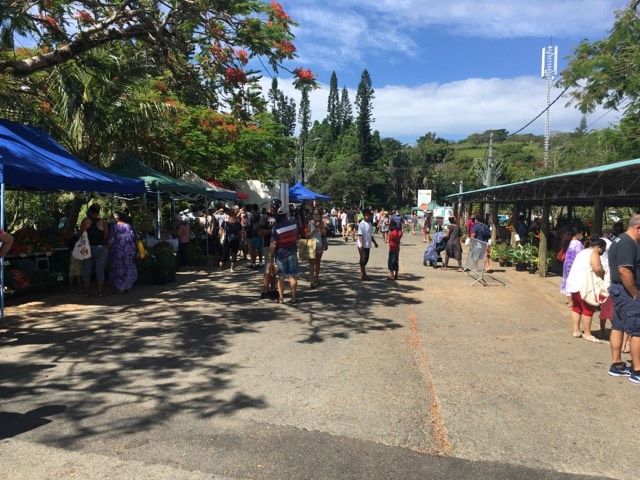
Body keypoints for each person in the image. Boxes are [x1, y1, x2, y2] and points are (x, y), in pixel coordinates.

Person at [606, 215, 640, 381]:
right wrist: (635, 293)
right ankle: (637, 370)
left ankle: (617, 364)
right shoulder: (628, 243)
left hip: (618, 290)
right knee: (637, 330)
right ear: (638, 228)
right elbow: (624, 271)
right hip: (627, 291)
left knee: (618, 326)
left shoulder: (618, 240)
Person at [565, 237, 608, 342]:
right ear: (598, 247)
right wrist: (603, 273)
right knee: (587, 309)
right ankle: (587, 333)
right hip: (584, 285)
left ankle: (576, 330)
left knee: (576, 308)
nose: (602, 252)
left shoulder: (583, 252)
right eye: (603, 249)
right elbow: (597, 268)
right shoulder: (593, 253)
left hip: (574, 284)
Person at [270, 205, 299, 304]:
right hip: (293, 253)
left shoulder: (275, 227)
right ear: (287, 214)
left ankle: (281, 298)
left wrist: (270, 256)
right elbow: (297, 236)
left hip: (281, 254)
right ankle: (294, 297)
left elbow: (273, 243)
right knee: (292, 276)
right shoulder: (294, 223)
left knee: (281, 277)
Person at [80, 204, 109, 296]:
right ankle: (100, 292)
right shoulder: (104, 222)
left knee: (86, 270)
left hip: (88, 248)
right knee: (100, 270)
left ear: (90, 212)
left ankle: (87, 292)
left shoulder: (85, 221)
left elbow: (81, 234)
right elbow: (105, 236)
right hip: (101, 248)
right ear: (98, 212)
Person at [109, 211, 137, 293]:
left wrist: (109, 247)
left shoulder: (114, 227)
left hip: (118, 251)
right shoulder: (128, 226)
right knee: (128, 267)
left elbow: (112, 240)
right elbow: (132, 237)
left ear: (116, 218)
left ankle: (120, 287)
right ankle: (127, 286)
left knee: (118, 268)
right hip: (129, 250)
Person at [258, 200, 279, 299]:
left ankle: (273, 289)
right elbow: (260, 232)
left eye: (277, 208)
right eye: (274, 207)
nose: (275, 209)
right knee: (268, 267)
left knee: (273, 269)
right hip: (268, 245)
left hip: (278, 246)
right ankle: (265, 290)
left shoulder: (278, 216)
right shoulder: (264, 217)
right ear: (271, 206)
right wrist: (272, 231)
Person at [560, 227, 584, 299]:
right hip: (574, 265)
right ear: (577, 234)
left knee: (567, 280)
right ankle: (572, 301)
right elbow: (580, 255)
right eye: (581, 233)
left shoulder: (569, 241)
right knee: (573, 282)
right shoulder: (578, 243)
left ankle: (569, 300)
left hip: (567, 264)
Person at [357, 209, 378, 280]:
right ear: (364, 216)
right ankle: (364, 275)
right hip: (362, 244)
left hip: (368, 244)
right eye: (366, 215)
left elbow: (370, 234)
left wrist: (374, 242)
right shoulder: (362, 224)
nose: (367, 216)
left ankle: (362, 271)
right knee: (363, 259)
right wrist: (362, 245)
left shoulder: (370, 223)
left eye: (368, 215)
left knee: (366, 259)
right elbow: (360, 235)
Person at [307, 208, 326, 288]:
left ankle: (316, 278)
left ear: (320, 215)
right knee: (311, 263)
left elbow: (325, 233)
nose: (316, 215)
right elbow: (307, 235)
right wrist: (313, 230)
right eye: (314, 214)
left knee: (317, 263)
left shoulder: (321, 223)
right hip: (311, 244)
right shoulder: (310, 223)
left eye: (317, 214)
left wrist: (320, 228)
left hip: (319, 245)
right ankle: (312, 281)